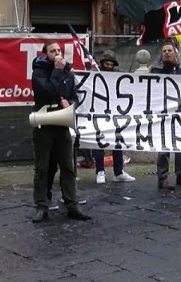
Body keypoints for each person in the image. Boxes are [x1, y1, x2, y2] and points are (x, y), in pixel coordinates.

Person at [31, 41, 91, 222]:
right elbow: (48, 91)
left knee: (67, 167)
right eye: (52, 51)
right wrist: (57, 71)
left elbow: (74, 96)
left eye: (58, 50)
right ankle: (42, 205)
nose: (57, 53)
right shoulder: (38, 72)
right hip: (44, 125)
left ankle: (72, 204)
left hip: (62, 124)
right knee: (43, 168)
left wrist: (71, 104)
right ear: (45, 54)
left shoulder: (68, 75)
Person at [151, 41, 181, 190]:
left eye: (170, 50)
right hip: (163, 116)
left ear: (176, 54)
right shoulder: (157, 72)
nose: (167, 53)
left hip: (180, 116)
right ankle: (162, 179)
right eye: (164, 51)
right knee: (164, 148)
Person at [92, 50, 136, 184]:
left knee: (117, 142)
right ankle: (100, 171)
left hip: (116, 113)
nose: (109, 67)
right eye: (107, 64)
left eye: (111, 64)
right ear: (102, 63)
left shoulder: (118, 76)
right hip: (99, 112)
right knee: (98, 143)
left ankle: (119, 171)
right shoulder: (93, 76)